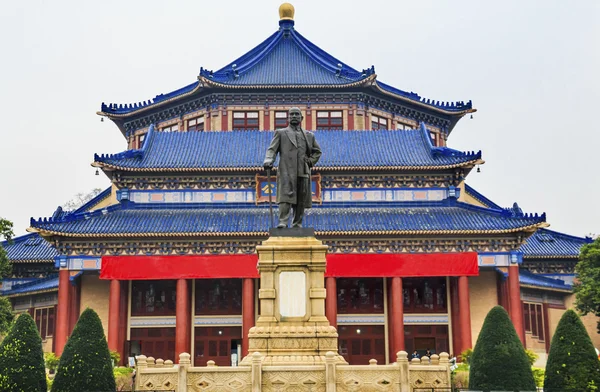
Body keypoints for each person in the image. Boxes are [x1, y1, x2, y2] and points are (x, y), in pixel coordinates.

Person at [263, 107, 322, 228]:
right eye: (292, 114)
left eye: (297, 114)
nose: (294, 116)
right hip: (286, 170)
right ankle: (283, 222)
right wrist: (269, 160)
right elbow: (272, 149)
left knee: (301, 198)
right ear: (288, 118)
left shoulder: (309, 136)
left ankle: (297, 223)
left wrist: (310, 161)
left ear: (302, 118)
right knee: (285, 196)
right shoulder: (281, 133)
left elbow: (317, 151)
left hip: (303, 170)